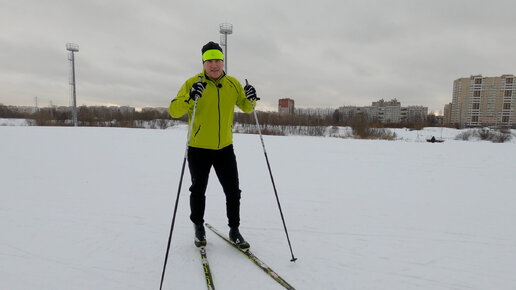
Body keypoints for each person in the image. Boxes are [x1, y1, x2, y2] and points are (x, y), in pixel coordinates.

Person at [169, 41, 258, 250]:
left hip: (225, 149)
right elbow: (174, 110)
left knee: (233, 191)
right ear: (203, 63)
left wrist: (252, 98)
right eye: (210, 61)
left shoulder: (232, 84)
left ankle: (234, 230)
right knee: (198, 190)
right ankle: (198, 226)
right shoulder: (193, 83)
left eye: (217, 60)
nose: (214, 65)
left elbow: (246, 107)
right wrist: (190, 97)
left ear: (223, 61)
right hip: (198, 148)